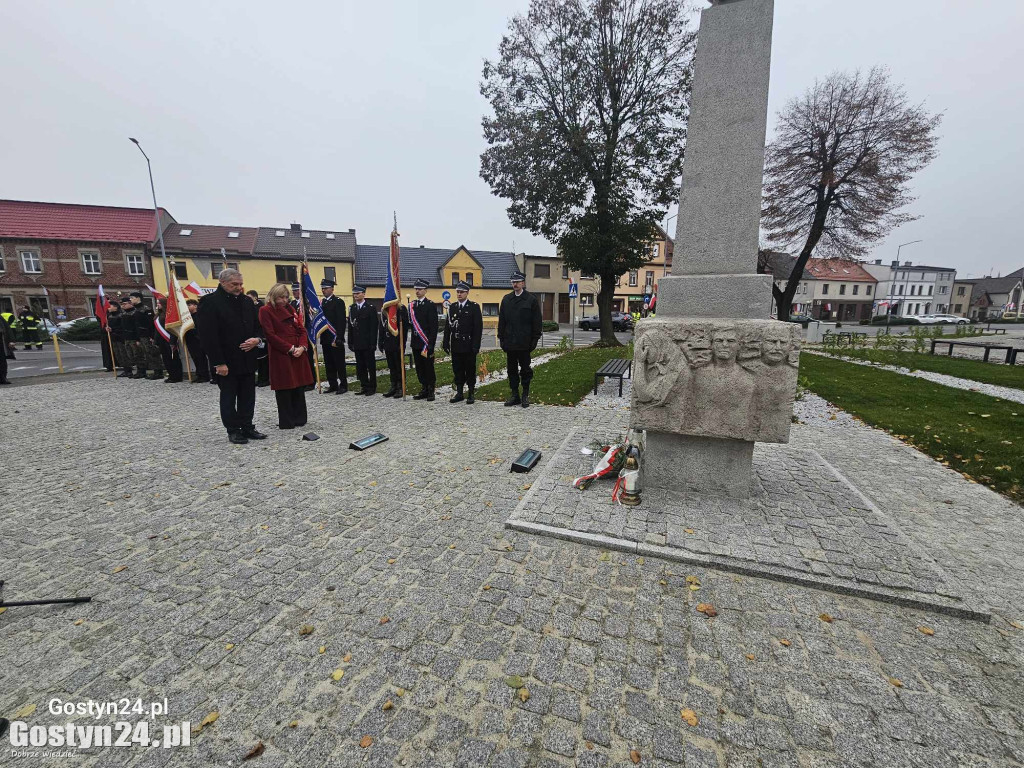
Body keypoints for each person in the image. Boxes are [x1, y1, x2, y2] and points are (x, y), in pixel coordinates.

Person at [198, 268, 268, 445]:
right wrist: (218, 362)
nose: (239, 288)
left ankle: (247, 426)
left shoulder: (246, 301)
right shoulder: (210, 302)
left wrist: (257, 339)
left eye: (240, 284)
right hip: (227, 360)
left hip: (248, 358)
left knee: (248, 396)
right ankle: (233, 430)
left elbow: (257, 327)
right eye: (234, 284)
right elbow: (208, 336)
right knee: (229, 397)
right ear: (222, 283)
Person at [259, 283, 314, 429]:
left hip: (298, 351)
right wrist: (289, 348)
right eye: (280, 297)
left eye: (285, 297)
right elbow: (270, 335)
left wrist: (302, 347)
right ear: (273, 297)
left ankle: (300, 418)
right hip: (281, 352)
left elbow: (302, 330)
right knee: (284, 386)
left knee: (298, 386)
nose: (284, 300)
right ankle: (287, 420)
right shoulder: (265, 311)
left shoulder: (290, 309)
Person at [498, 269, 542, 408]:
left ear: (523, 283)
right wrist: (502, 339)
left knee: (525, 370)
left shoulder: (531, 300)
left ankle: (525, 395)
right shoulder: (506, 299)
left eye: (517, 282)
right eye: (513, 282)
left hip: (524, 343)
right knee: (511, 370)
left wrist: (534, 340)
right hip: (510, 342)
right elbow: (502, 321)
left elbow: (537, 322)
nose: (515, 284)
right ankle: (515, 394)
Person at [443, 280, 482, 404]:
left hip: (468, 344)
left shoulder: (474, 307)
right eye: (458, 292)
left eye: (462, 292)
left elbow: (477, 329)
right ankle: (459, 392)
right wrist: (445, 342)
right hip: (456, 344)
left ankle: (470, 392)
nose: (459, 294)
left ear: (467, 293)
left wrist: (476, 346)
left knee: (469, 369)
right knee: (457, 369)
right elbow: (447, 327)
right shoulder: (452, 307)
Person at [410, 278, 438, 401]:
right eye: (416, 289)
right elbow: (410, 324)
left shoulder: (430, 305)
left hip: (425, 342)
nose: (417, 291)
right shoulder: (412, 305)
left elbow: (433, 326)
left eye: (420, 289)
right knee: (419, 367)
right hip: (416, 341)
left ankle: (431, 389)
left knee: (428, 367)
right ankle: (424, 387)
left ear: (425, 290)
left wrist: (431, 343)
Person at [347, 284, 378, 395]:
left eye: (358, 293)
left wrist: (373, 343)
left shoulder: (370, 308)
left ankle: (372, 386)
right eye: (354, 293)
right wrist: (350, 341)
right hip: (357, 342)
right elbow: (350, 327)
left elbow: (374, 327)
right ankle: (364, 385)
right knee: (360, 366)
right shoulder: (352, 308)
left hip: (367, 343)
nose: (355, 295)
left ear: (363, 294)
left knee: (370, 366)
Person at [319, 279, 347, 394]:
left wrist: (339, 337)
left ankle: (343, 385)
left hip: (335, 337)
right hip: (325, 338)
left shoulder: (338, 302)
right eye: (322, 288)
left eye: (326, 288)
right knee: (329, 363)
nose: (324, 290)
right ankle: (333, 384)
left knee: (339, 363)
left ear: (332, 289)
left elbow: (341, 321)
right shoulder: (322, 303)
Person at [378, 302, 409, 398]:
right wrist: (381, 341)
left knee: (398, 365)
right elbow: (382, 326)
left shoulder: (401, 308)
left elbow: (405, 327)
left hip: (397, 342)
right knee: (391, 365)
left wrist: (402, 343)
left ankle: (400, 386)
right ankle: (393, 385)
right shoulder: (385, 309)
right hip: (388, 342)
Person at [130, 292, 163, 380]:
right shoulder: (136, 310)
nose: (130, 300)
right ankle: (154, 371)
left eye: (132, 298)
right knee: (147, 354)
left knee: (152, 353)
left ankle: (158, 372)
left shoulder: (146, 309)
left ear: (138, 298)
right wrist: (137, 338)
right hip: (141, 335)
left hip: (147, 335)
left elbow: (151, 324)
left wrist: (152, 336)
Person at [154, 299, 183, 383]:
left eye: (159, 303)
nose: (158, 305)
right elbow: (156, 330)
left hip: (169, 339)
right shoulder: (157, 315)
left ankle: (177, 376)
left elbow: (173, 329)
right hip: (161, 340)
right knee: (166, 359)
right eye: (157, 303)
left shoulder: (169, 315)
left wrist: (173, 341)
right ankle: (171, 375)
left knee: (173, 358)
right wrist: (155, 340)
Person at [183, 299, 210, 383]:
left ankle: (205, 375)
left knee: (200, 357)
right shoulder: (188, 317)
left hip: (198, 340)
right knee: (195, 358)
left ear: (195, 306)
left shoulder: (199, 315)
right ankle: (199, 374)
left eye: (189, 305)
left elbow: (201, 328)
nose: (187, 307)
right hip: (190, 340)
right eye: (186, 305)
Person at [247, 290, 270, 387]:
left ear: (255, 298)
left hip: (262, 336)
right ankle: (260, 378)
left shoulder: (261, 308)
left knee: (264, 359)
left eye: (249, 297)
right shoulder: (249, 308)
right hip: (254, 336)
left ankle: (265, 379)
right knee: (257, 359)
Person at [119, 296, 142, 377]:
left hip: (133, 337)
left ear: (130, 304)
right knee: (130, 356)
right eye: (121, 304)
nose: (122, 306)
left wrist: (137, 338)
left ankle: (141, 371)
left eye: (124, 304)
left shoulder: (134, 312)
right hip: (126, 337)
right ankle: (135, 371)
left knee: (137, 355)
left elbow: (137, 326)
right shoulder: (123, 314)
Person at [0, 310, 12, 384]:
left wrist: (11, 340)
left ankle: (3, 378)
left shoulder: (0, 318)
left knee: (2, 360)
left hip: (1, 342)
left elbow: (7, 328)